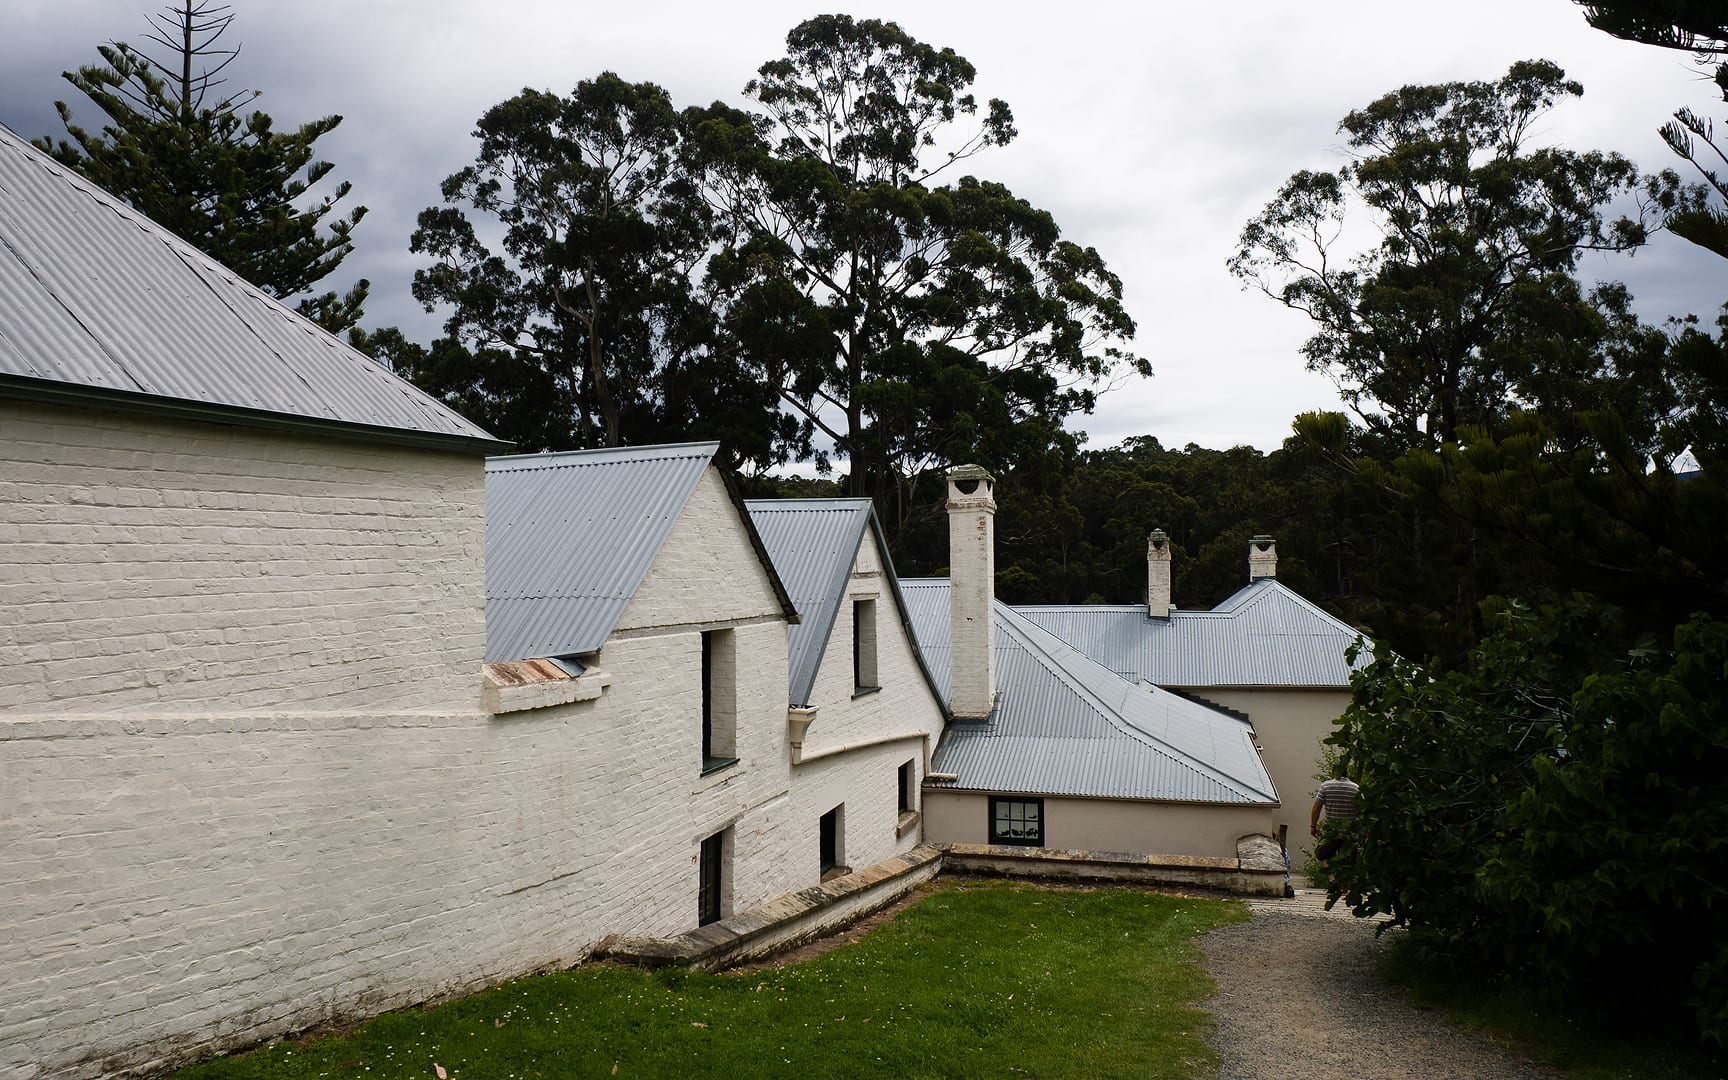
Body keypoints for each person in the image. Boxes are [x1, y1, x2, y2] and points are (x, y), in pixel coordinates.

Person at [1310, 770, 1360, 871]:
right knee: (1348, 863)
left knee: (1322, 855)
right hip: (1350, 833)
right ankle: (1344, 887)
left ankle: (1332, 879)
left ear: (1334, 773)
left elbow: (1316, 808)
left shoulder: (1326, 786)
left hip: (1331, 831)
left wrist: (1313, 826)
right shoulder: (1356, 788)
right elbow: (1362, 810)